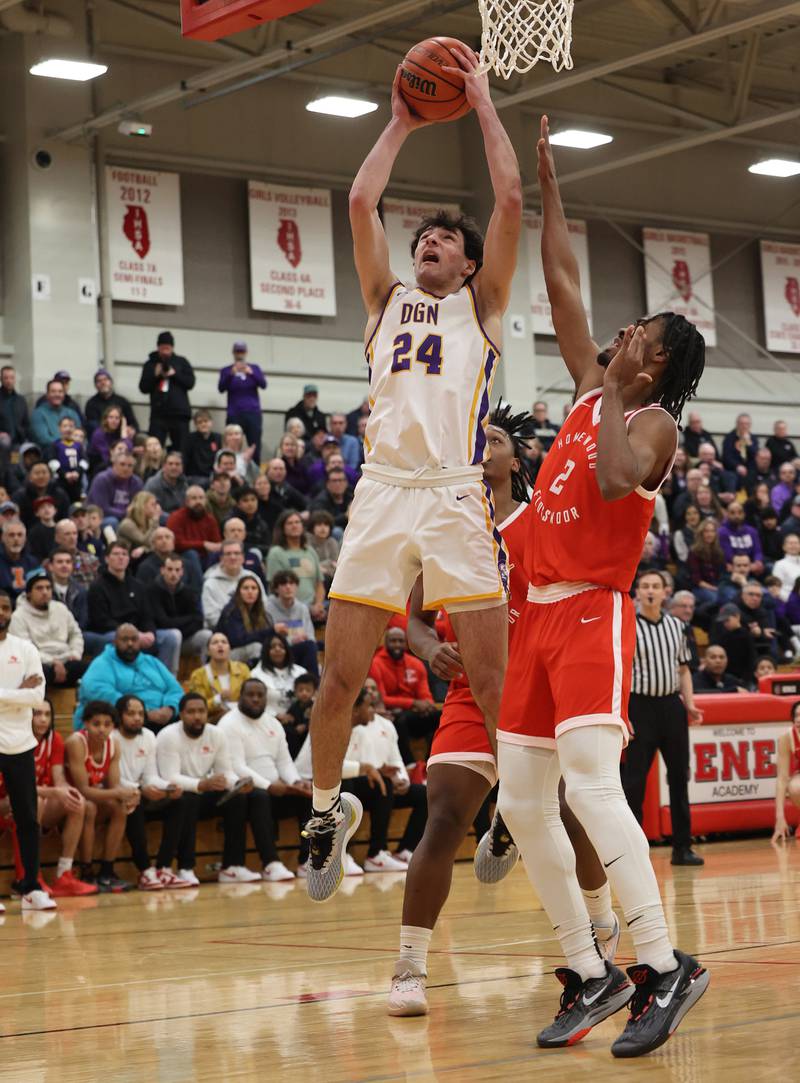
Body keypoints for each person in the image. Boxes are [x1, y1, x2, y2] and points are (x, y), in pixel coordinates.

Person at [494, 116, 708, 1058]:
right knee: (519, 801)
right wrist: (549, 188)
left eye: (638, 333)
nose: (618, 331)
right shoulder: (593, 381)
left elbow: (619, 481)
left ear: (653, 360)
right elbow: (562, 277)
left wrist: (615, 389)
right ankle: (590, 968)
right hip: (533, 617)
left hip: (593, 611)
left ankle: (664, 964)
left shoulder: (651, 422)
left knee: (589, 785)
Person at [300, 48, 523, 903]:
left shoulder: (483, 307)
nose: (429, 242)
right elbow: (360, 200)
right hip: (383, 492)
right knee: (338, 677)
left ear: (468, 265)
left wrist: (483, 103)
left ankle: (512, 800)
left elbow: (507, 201)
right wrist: (400, 119)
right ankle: (326, 813)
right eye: (422, 236)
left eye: (444, 241)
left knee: (494, 680)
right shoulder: (385, 300)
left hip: (458, 494)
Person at [622, 571, 704, 868]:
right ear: (638, 593)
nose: (651, 591)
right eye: (645, 586)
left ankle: (682, 848)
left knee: (680, 777)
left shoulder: (677, 626)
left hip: (671, 706)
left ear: (665, 592)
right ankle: (633, 851)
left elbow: (684, 671)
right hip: (640, 708)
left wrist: (690, 704)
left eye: (656, 586)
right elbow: (622, 673)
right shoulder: (627, 625)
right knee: (634, 783)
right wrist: (623, 713)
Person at [155, 693, 260, 885]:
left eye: (201, 711)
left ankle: (232, 867)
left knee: (238, 798)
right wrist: (200, 784)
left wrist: (237, 784)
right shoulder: (168, 736)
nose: (197, 716)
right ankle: (186, 868)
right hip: (172, 796)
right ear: (181, 715)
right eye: (191, 712)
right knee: (189, 798)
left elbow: (225, 772)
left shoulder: (216, 734)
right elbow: (169, 777)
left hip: (203, 792)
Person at [218, 678, 313, 881]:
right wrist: (269, 786)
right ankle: (271, 863)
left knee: (308, 795)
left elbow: (285, 762)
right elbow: (237, 767)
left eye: (260, 695)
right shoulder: (228, 724)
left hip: (276, 788)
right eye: (250, 695)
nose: (255, 699)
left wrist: (296, 782)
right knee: (259, 796)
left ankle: (308, 861)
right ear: (240, 697)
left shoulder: (273, 724)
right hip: (248, 791)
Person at [0, 589, 54, 911]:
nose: (1, 612)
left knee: (28, 818)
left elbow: (37, 698)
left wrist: (11, 695)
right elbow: (25, 694)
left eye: (5, 607)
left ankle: (31, 887)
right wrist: (17, 691)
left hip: (20, 745)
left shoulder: (25, 648)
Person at [113, 694, 193, 890]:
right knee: (134, 802)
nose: (137, 718)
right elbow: (113, 779)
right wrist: (140, 789)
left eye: (141, 713)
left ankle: (164, 868)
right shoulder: (111, 737)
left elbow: (151, 775)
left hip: (142, 791)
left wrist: (166, 788)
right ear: (120, 716)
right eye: (131, 713)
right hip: (117, 793)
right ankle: (145, 871)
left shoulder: (148, 736)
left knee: (180, 800)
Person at [65, 700, 136, 892]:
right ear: (85, 724)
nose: (102, 730)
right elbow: (83, 789)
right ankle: (86, 870)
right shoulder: (76, 742)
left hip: (93, 796)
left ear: (114, 726)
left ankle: (107, 870)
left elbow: (113, 786)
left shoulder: (114, 745)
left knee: (120, 807)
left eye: (107, 724)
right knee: (90, 807)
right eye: (96, 724)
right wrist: (118, 792)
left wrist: (129, 795)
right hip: (71, 800)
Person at [29, 700, 97, 897]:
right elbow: (19, 790)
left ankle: (64, 874)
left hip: (40, 802)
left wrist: (66, 790)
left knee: (77, 801)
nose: (43, 719)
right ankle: (32, 874)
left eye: (47, 714)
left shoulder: (55, 739)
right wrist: (53, 792)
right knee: (37, 801)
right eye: (37, 714)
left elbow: (59, 779)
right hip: (9, 803)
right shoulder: (15, 741)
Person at [85, 541, 181, 672]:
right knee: (110, 639)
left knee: (172, 636)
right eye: (116, 554)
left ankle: (165, 678)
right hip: (113, 632)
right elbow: (101, 621)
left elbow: (147, 615)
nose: (121, 557)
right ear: (107, 559)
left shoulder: (138, 585)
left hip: (139, 632)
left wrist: (150, 633)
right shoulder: (97, 586)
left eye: (124, 554)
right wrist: (134, 635)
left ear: (128, 559)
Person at [75, 623, 184, 732]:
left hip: (163, 718)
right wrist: (142, 712)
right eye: (125, 639)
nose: (130, 643)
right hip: (126, 721)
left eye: (134, 639)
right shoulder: (103, 663)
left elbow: (175, 689)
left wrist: (170, 708)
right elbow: (96, 691)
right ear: (115, 642)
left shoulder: (152, 662)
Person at [369, 628, 440, 768]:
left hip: (413, 714)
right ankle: (410, 765)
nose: (397, 645)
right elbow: (382, 699)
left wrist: (426, 705)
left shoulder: (415, 664)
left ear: (406, 644)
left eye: (400, 641)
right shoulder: (376, 663)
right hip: (390, 713)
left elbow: (425, 694)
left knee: (440, 716)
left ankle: (431, 762)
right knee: (399, 720)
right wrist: (413, 703)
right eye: (393, 641)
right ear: (385, 643)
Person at [9, 569, 86, 688]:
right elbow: (26, 649)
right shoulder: (18, 617)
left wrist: (75, 653)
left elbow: (76, 634)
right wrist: (53, 662)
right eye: (39, 588)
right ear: (29, 593)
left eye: (48, 588)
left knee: (92, 668)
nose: (45, 592)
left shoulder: (61, 608)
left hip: (67, 658)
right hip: (41, 662)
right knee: (38, 672)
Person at [149, 554, 212, 663]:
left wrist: (179, 626)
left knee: (206, 635)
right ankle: (172, 676)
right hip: (162, 639)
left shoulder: (188, 592)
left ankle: (204, 675)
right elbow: (163, 623)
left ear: (182, 572)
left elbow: (198, 620)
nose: (173, 574)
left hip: (185, 637)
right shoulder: (152, 590)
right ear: (162, 570)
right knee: (174, 635)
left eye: (177, 570)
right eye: (170, 569)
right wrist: (188, 619)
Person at [139, 332, 196, 451]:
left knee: (181, 448)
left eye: (168, 348)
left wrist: (175, 374)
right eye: (163, 347)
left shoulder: (181, 362)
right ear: (158, 347)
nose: (165, 351)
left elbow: (190, 383)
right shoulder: (150, 364)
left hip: (179, 414)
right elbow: (143, 388)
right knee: (154, 448)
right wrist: (155, 375)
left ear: (172, 348)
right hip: (159, 414)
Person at [266, 511, 325, 622]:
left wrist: (318, 605)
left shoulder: (310, 551)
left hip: (314, 606)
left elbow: (319, 583)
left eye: (297, 522)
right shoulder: (276, 553)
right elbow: (275, 587)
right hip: (288, 610)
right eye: (290, 523)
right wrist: (305, 608)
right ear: (282, 528)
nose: (294, 525)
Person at [201, 539, 267, 629]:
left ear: (243, 557)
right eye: (228, 554)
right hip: (222, 632)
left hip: (252, 628)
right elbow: (211, 617)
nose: (233, 557)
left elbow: (264, 606)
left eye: (236, 553)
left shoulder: (253, 578)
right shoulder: (210, 583)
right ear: (221, 558)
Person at [188, 631, 252, 724]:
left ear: (229, 648)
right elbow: (197, 708)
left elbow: (250, 698)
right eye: (215, 642)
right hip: (213, 722)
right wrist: (218, 699)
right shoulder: (198, 675)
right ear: (208, 651)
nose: (220, 645)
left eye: (224, 642)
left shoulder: (243, 669)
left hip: (241, 719)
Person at [219, 343, 267, 462]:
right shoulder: (226, 370)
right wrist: (231, 374)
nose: (240, 354)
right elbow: (221, 388)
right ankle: (230, 466)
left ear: (245, 353)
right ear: (234, 353)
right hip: (234, 413)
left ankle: (255, 473)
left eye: (242, 352)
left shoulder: (254, 368)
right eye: (237, 352)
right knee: (232, 445)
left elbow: (263, 384)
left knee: (255, 446)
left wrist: (251, 373)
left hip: (253, 412)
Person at [265, 569, 319, 676]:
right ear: (276, 588)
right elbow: (267, 639)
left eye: (291, 583)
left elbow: (311, 636)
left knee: (311, 646)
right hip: (279, 651)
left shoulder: (302, 608)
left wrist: (303, 639)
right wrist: (291, 640)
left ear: (297, 587)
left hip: (302, 648)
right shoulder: (267, 608)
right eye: (283, 584)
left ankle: (311, 685)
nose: (288, 587)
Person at [215, 574, 274, 665]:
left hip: (245, 652)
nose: (250, 592)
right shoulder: (232, 611)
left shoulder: (262, 613)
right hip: (227, 653)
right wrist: (270, 631)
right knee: (256, 647)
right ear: (239, 592)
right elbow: (238, 640)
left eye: (254, 588)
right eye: (245, 588)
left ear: (259, 592)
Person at [251, 632, 307, 720]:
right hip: (268, 721)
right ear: (266, 651)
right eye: (272, 647)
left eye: (281, 646)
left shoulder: (301, 672)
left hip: (299, 723)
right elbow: (253, 702)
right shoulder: (256, 674)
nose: (277, 649)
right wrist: (276, 715)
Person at [166, 485, 221, 572]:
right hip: (182, 557)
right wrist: (203, 544)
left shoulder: (210, 519)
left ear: (205, 501)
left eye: (201, 498)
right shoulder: (176, 517)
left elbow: (216, 543)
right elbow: (176, 543)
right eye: (194, 498)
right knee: (192, 554)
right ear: (187, 501)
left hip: (205, 557)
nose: (198, 501)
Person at [87, 447, 143, 527]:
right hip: (102, 518)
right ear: (114, 465)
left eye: (130, 466)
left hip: (128, 518)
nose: (126, 468)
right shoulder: (102, 479)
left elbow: (138, 506)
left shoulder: (137, 482)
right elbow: (102, 508)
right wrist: (126, 513)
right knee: (112, 521)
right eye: (122, 464)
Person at [772, 699, 800, 843]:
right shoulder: (787, 737)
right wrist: (780, 817)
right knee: (795, 787)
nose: (798, 720)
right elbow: (782, 779)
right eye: (796, 715)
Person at [12, 460, 69, 527]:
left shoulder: (60, 495)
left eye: (44, 472)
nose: (41, 476)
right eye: (37, 473)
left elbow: (65, 518)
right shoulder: (20, 496)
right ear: (29, 476)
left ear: (50, 475)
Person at [83, 369, 139, 438]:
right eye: (99, 381)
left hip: (121, 438)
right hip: (102, 438)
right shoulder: (91, 404)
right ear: (95, 385)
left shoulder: (123, 401)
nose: (103, 383)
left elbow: (133, 423)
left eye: (105, 380)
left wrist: (132, 430)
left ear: (111, 382)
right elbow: (94, 426)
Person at [709, 604, 757, 683]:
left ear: (737, 617)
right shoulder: (723, 636)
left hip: (742, 678)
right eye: (724, 621)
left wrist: (746, 678)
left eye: (727, 620)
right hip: (727, 678)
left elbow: (751, 659)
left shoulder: (746, 636)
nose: (725, 624)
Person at [47, 415, 89, 501]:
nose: (68, 429)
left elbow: (85, 461)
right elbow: (52, 462)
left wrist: (77, 472)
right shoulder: (55, 445)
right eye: (65, 426)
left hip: (77, 482)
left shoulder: (78, 446)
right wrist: (64, 474)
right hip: (61, 481)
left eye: (71, 426)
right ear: (59, 428)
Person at [47, 547, 89, 630]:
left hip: (76, 633)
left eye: (68, 562)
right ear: (50, 566)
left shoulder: (80, 590)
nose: (64, 565)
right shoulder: (43, 589)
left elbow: (83, 620)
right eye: (60, 562)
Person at [29, 380, 81, 447]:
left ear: (64, 394)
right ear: (47, 395)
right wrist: (66, 443)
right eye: (53, 391)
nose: (57, 394)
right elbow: (43, 439)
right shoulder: (38, 414)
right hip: (50, 452)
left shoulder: (72, 413)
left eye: (60, 391)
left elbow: (79, 434)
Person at [688, 518, 726, 606]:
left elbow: (722, 573)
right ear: (701, 534)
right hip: (700, 587)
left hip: (717, 585)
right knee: (715, 599)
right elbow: (696, 579)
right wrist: (713, 588)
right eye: (706, 531)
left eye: (712, 531)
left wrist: (719, 587)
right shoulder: (694, 552)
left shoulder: (719, 551)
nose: (710, 534)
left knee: (730, 596)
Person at [718, 501, 764, 574]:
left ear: (744, 514)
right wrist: (745, 566)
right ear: (727, 514)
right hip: (734, 567)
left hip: (752, 566)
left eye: (740, 513)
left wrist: (757, 561)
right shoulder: (722, 532)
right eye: (732, 513)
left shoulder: (752, 531)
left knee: (769, 567)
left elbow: (757, 551)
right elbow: (728, 555)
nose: (737, 516)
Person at [117, 491, 162, 562]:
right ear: (142, 506)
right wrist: (155, 521)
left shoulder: (150, 521)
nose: (156, 508)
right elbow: (145, 542)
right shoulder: (127, 524)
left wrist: (144, 549)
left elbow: (158, 543)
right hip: (128, 560)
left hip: (144, 557)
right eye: (153, 504)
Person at [0, 519, 38, 603]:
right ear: (2, 538)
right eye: (11, 535)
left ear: (25, 538)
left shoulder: (33, 562)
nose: (16, 539)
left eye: (20, 535)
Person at [88, 405, 132, 475]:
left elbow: (128, 451)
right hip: (99, 467)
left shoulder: (120, 433)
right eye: (111, 417)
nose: (114, 420)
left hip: (117, 465)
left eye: (117, 418)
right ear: (106, 419)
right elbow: (107, 457)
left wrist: (124, 432)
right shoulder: (99, 434)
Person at [144, 450, 189, 517]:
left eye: (177, 464)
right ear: (164, 466)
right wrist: (173, 519)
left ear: (182, 467)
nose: (174, 467)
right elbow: (150, 509)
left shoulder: (184, 483)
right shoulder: (153, 484)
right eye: (170, 464)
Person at [284, 672, 318, 757]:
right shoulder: (294, 706)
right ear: (295, 691)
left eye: (308, 690)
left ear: (314, 692)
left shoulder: (315, 707)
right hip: (296, 737)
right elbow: (289, 717)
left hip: (309, 737)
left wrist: (306, 726)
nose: (304, 693)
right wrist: (288, 719)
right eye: (301, 690)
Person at [183, 410, 222, 481]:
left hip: (213, 476)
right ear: (196, 425)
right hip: (194, 477)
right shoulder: (189, 439)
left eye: (206, 421)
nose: (203, 424)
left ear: (211, 422)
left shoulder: (218, 438)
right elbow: (185, 459)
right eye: (199, 422)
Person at [0, 365, 30, 447]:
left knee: (32, 449)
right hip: (3, 439)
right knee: (5, 442)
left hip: (20, 439)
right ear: (1, 379)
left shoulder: (21, 400)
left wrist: (25, 435)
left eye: (11, 378)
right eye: (6, 378)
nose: (9, 381)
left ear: (15, 379)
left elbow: (26, 423)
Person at [722, 413, 758, 479]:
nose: (744, 426)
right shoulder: (729, 438)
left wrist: (749, 444)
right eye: (742, 424)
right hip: (733, 469)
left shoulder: (753, 438)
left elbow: (756, 456)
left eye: (747, 424)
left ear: (750, 425)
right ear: (737, 424)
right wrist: (737, 466)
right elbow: (726, 457)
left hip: (749, 469)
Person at [772, 533, 800, 601]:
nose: (793, 545)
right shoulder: (779, 564)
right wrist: (791, 600)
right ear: (784, 547)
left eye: (796, 543)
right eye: (790, 543)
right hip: (789, 601)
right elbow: (776, 588)